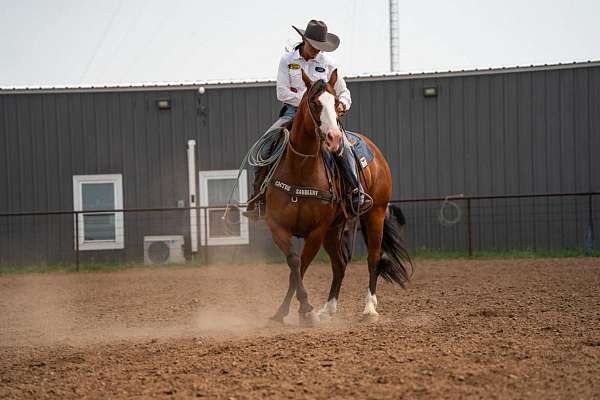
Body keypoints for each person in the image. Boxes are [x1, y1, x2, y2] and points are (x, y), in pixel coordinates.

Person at [243, 19, 370, 220]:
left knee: (343, 145)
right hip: (293, 113)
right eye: (313, 47)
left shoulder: (328, 64)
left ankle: (355, 191)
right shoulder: (287, 60)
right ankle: (258, 198)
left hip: (323, 116)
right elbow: (282, 92)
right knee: (264, 146)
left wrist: (342, 104)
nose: (316, 51)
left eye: (320, 48)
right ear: (304, 40)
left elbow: (344, 92)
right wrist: (305, 103)